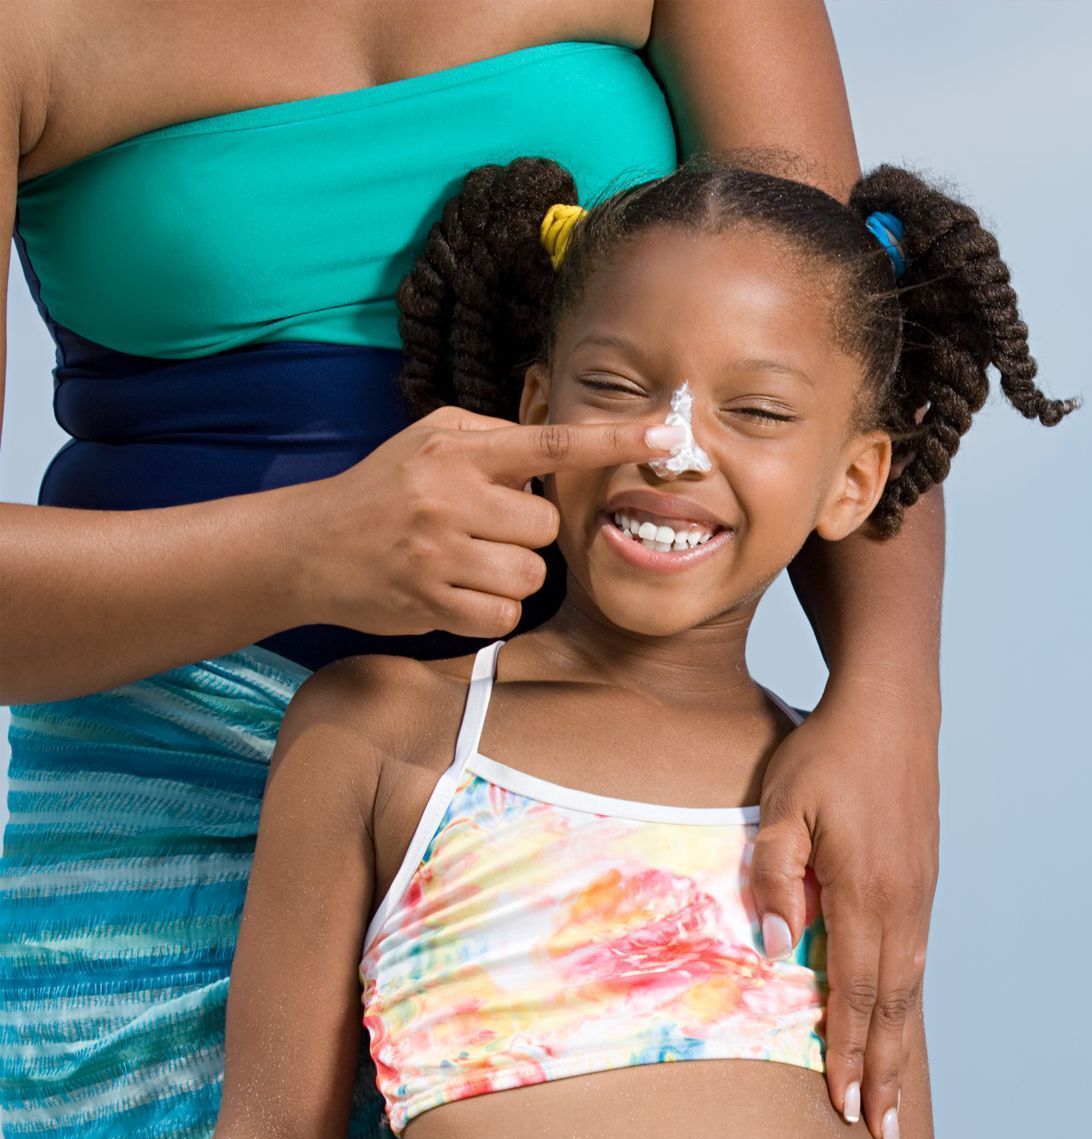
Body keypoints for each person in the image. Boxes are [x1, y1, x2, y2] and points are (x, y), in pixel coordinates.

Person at [2, 3, 954, 1136]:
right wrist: (306, 551)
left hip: (601, 801)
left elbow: (837, 334)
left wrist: (889, 704)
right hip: (157, 848)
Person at [211, 155, 1076, 1139]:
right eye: (619, 387)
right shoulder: (383, 733)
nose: (671, 445)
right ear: (537, 409)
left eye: (753, 411)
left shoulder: (843, 801)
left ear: (855, 479)